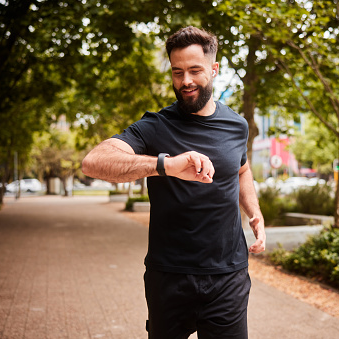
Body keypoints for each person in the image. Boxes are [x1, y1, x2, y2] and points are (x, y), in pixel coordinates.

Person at [81, 26, 266, 339]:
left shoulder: (237, 125)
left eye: (195, 70)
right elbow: (93, 162)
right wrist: (165, 165)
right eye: (177, 72)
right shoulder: (155, 125)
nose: (186, 82)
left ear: (214, 68)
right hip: (168, 276)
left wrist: (254, 212)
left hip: (228, 275)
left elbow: (241, 170)